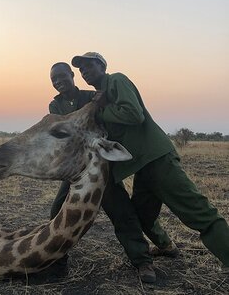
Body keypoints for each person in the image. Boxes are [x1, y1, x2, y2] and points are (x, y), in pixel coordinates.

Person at [70, 52, 229, 272]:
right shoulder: (100, 95)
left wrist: (103, 110)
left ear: (102, 66)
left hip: (157, 160)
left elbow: (134, 114)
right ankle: (166, 246)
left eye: (88, 66)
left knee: (200, 215)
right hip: (142, 168)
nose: (84, 72)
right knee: (142, 218)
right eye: (81, 70)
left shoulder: (116, 80)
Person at [47, 62, 178, 283]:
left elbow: (111, 121)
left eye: (62, 76)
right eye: (53, 80)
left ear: (72, 75)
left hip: (100, 166)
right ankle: (58, 260)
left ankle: (143, 261)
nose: (58, 82)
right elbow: (62, 134)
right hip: (76, 167)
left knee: (122, 213)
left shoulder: (93, 96)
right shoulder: (55, 106)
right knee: (57, 211)